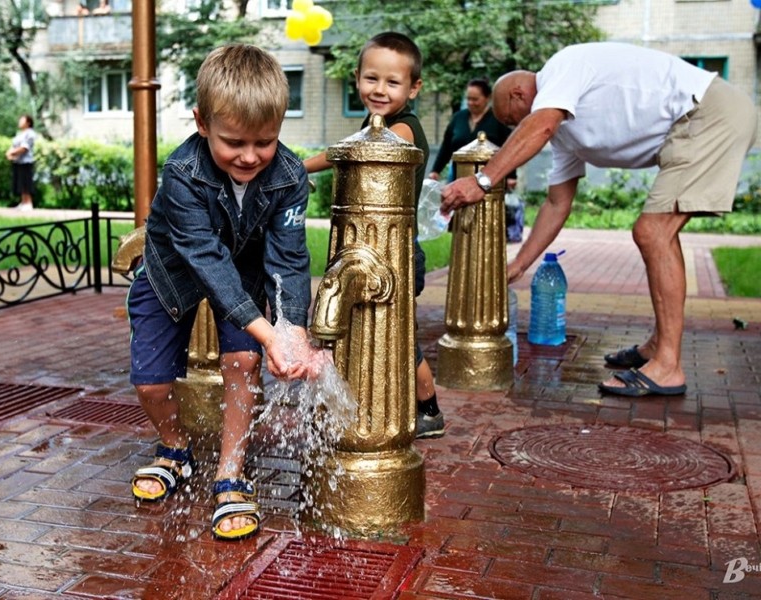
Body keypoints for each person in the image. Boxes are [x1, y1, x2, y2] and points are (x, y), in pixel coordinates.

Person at [440, 41, 756, 398]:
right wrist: (520, 264)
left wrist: (483, 180)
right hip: (696, 122)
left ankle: (668, 366)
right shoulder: (563, 131)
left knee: (653, 233)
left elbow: (539, 125)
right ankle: (659, 347)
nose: (518, 130)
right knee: (656, 234)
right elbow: (558, 203)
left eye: (515, 121)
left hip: (707, 113)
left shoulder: (561, 69)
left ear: (518, 94)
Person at [127, 43, 322, 541]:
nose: (251, 156)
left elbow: (289, 258)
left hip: (245, 270)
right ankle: (174, 449)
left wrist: (291, 329)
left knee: (244, 363)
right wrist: (266, 330)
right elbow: (205, 259)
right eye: (234, 142)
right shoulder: (182, 173)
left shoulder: (290, 175)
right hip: (171, 273)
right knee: (150, 382)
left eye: (266, 141)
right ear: (202, 123)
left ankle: (230, 475)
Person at [304, 32, 445, 439]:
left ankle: (427, 405)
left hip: (395, 253)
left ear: (414, 88)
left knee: (400, 338)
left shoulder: (403, 130)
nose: (379, 90)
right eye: (371, 79)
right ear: (357, 78)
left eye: (392, 82)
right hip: (367, 247)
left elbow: (347, 151)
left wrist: (299, 167)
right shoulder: (372, 123)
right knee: (379, 332)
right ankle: (370, 401)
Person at [428, 77, 515, 188]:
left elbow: (509, 148)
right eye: (468, 99)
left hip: (489, 179)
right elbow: (446, 147)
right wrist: (435, 170)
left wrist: (512, 175)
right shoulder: (458, 118)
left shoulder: (498, 119)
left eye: (475, 99)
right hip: (458, 176)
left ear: (487, 98)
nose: (470, 103)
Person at [5, 114, 37, 211]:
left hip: (26, 161)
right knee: (20, 182)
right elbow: (14, 145)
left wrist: (12, 152)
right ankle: (23, 202)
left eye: (22, 120)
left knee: (26, 182)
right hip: (18, 161)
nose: (19, 122)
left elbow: (25, 148)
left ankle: (29, 203)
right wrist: (9, 153)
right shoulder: (20, 134)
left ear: (28, 122)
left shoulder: (30, 134)